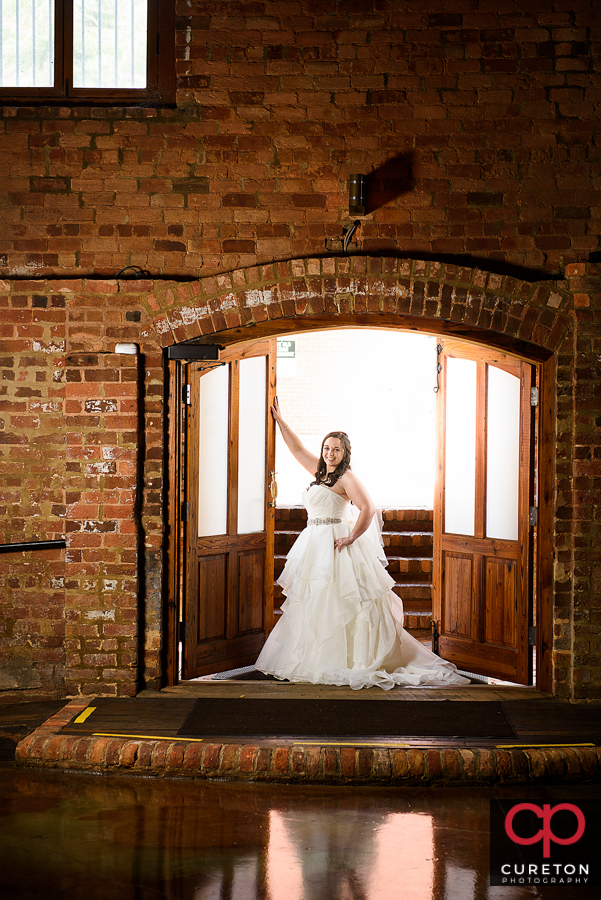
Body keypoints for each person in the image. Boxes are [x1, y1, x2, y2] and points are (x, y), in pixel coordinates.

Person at [255, 399, 470, 690]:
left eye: (336, 449)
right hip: (314, 546)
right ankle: (318, 657)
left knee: (347, 604)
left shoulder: (345, 478)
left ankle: (354, 659)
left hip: (338, 546)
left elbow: (368, 508)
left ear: (344, 454)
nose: (330, 453)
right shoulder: (320, 473)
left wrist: (351, 537)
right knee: (318, 602)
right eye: (326, 448)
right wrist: (281, 421)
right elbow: (295, 449)